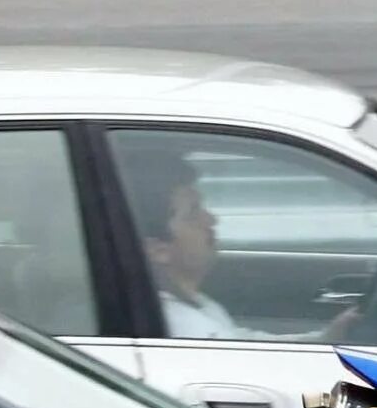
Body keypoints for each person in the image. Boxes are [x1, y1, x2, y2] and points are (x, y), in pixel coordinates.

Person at [118, 143, 358, 344]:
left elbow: (241, 341)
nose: (211, 220)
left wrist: (325, 338)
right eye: (193, 213)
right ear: (158, 250)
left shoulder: (188, 306)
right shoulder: (187, 329)